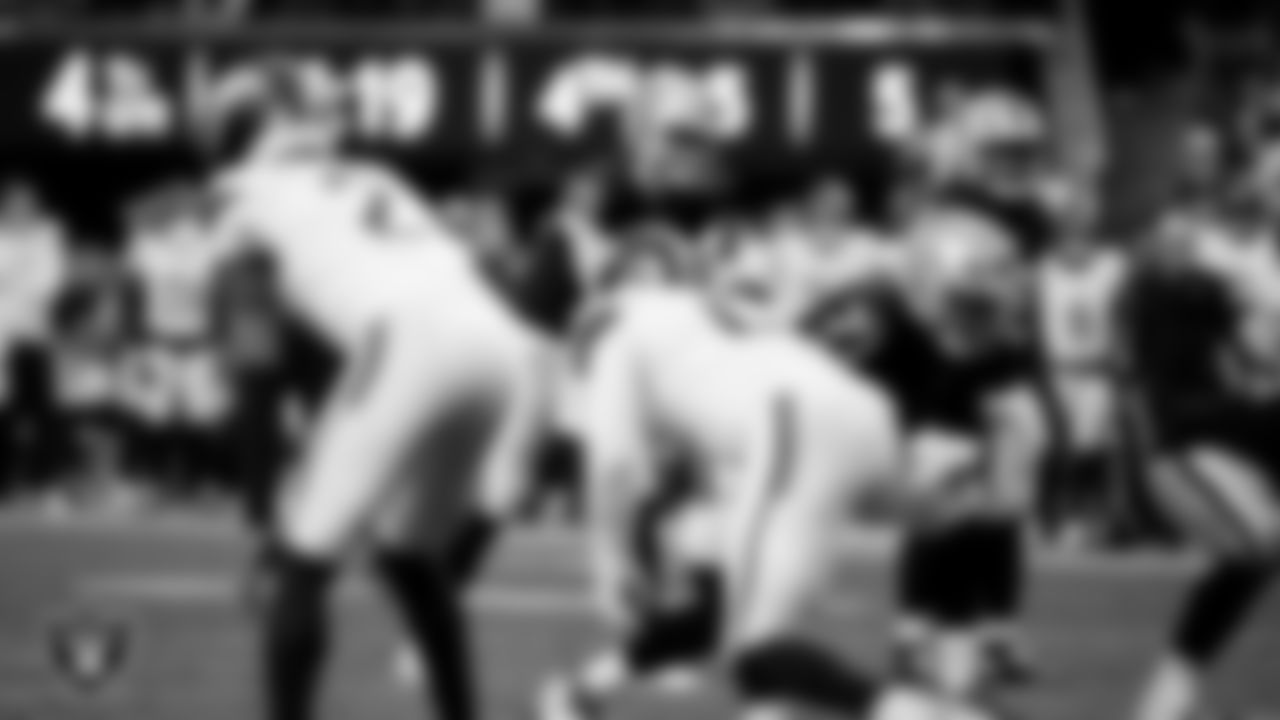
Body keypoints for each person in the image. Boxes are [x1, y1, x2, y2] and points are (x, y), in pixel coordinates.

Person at [204, 63, 550, 720]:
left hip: (407, 341)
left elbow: (257, 364)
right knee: (411, 559)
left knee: (302, 564)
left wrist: (263, 513)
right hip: (500, 346)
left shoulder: (240, 200)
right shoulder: (376, 177)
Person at [536, 237, 1003, 720]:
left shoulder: (612, 335)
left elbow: (614, 464)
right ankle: (586, 691)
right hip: (856, 416)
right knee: (739, 621)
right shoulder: (692, 316)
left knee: (755, 648)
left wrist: (610, 560)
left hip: (791, 426)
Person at [1123, 172, 1280, 720]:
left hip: (1220, 430)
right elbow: (1253, 341)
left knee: (1251, 562)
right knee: (1259, 549)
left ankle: (1169, 695)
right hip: (1200, 434)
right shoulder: (1205, 274)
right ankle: (1170, 696)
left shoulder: (1228, 270)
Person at [1034, 181, 1129, 545]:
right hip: (1057, 371)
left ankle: (1089, 518)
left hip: (1097, 372)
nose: (1079, 219)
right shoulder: (1042, 268)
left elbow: (1125, 318)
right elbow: (1035, 322)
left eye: (1086, 212)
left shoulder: (1115, 266)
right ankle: (1050, 519)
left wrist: (1122, 362)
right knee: (1053, 447)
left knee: (1091, 449)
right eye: (1072, 211)